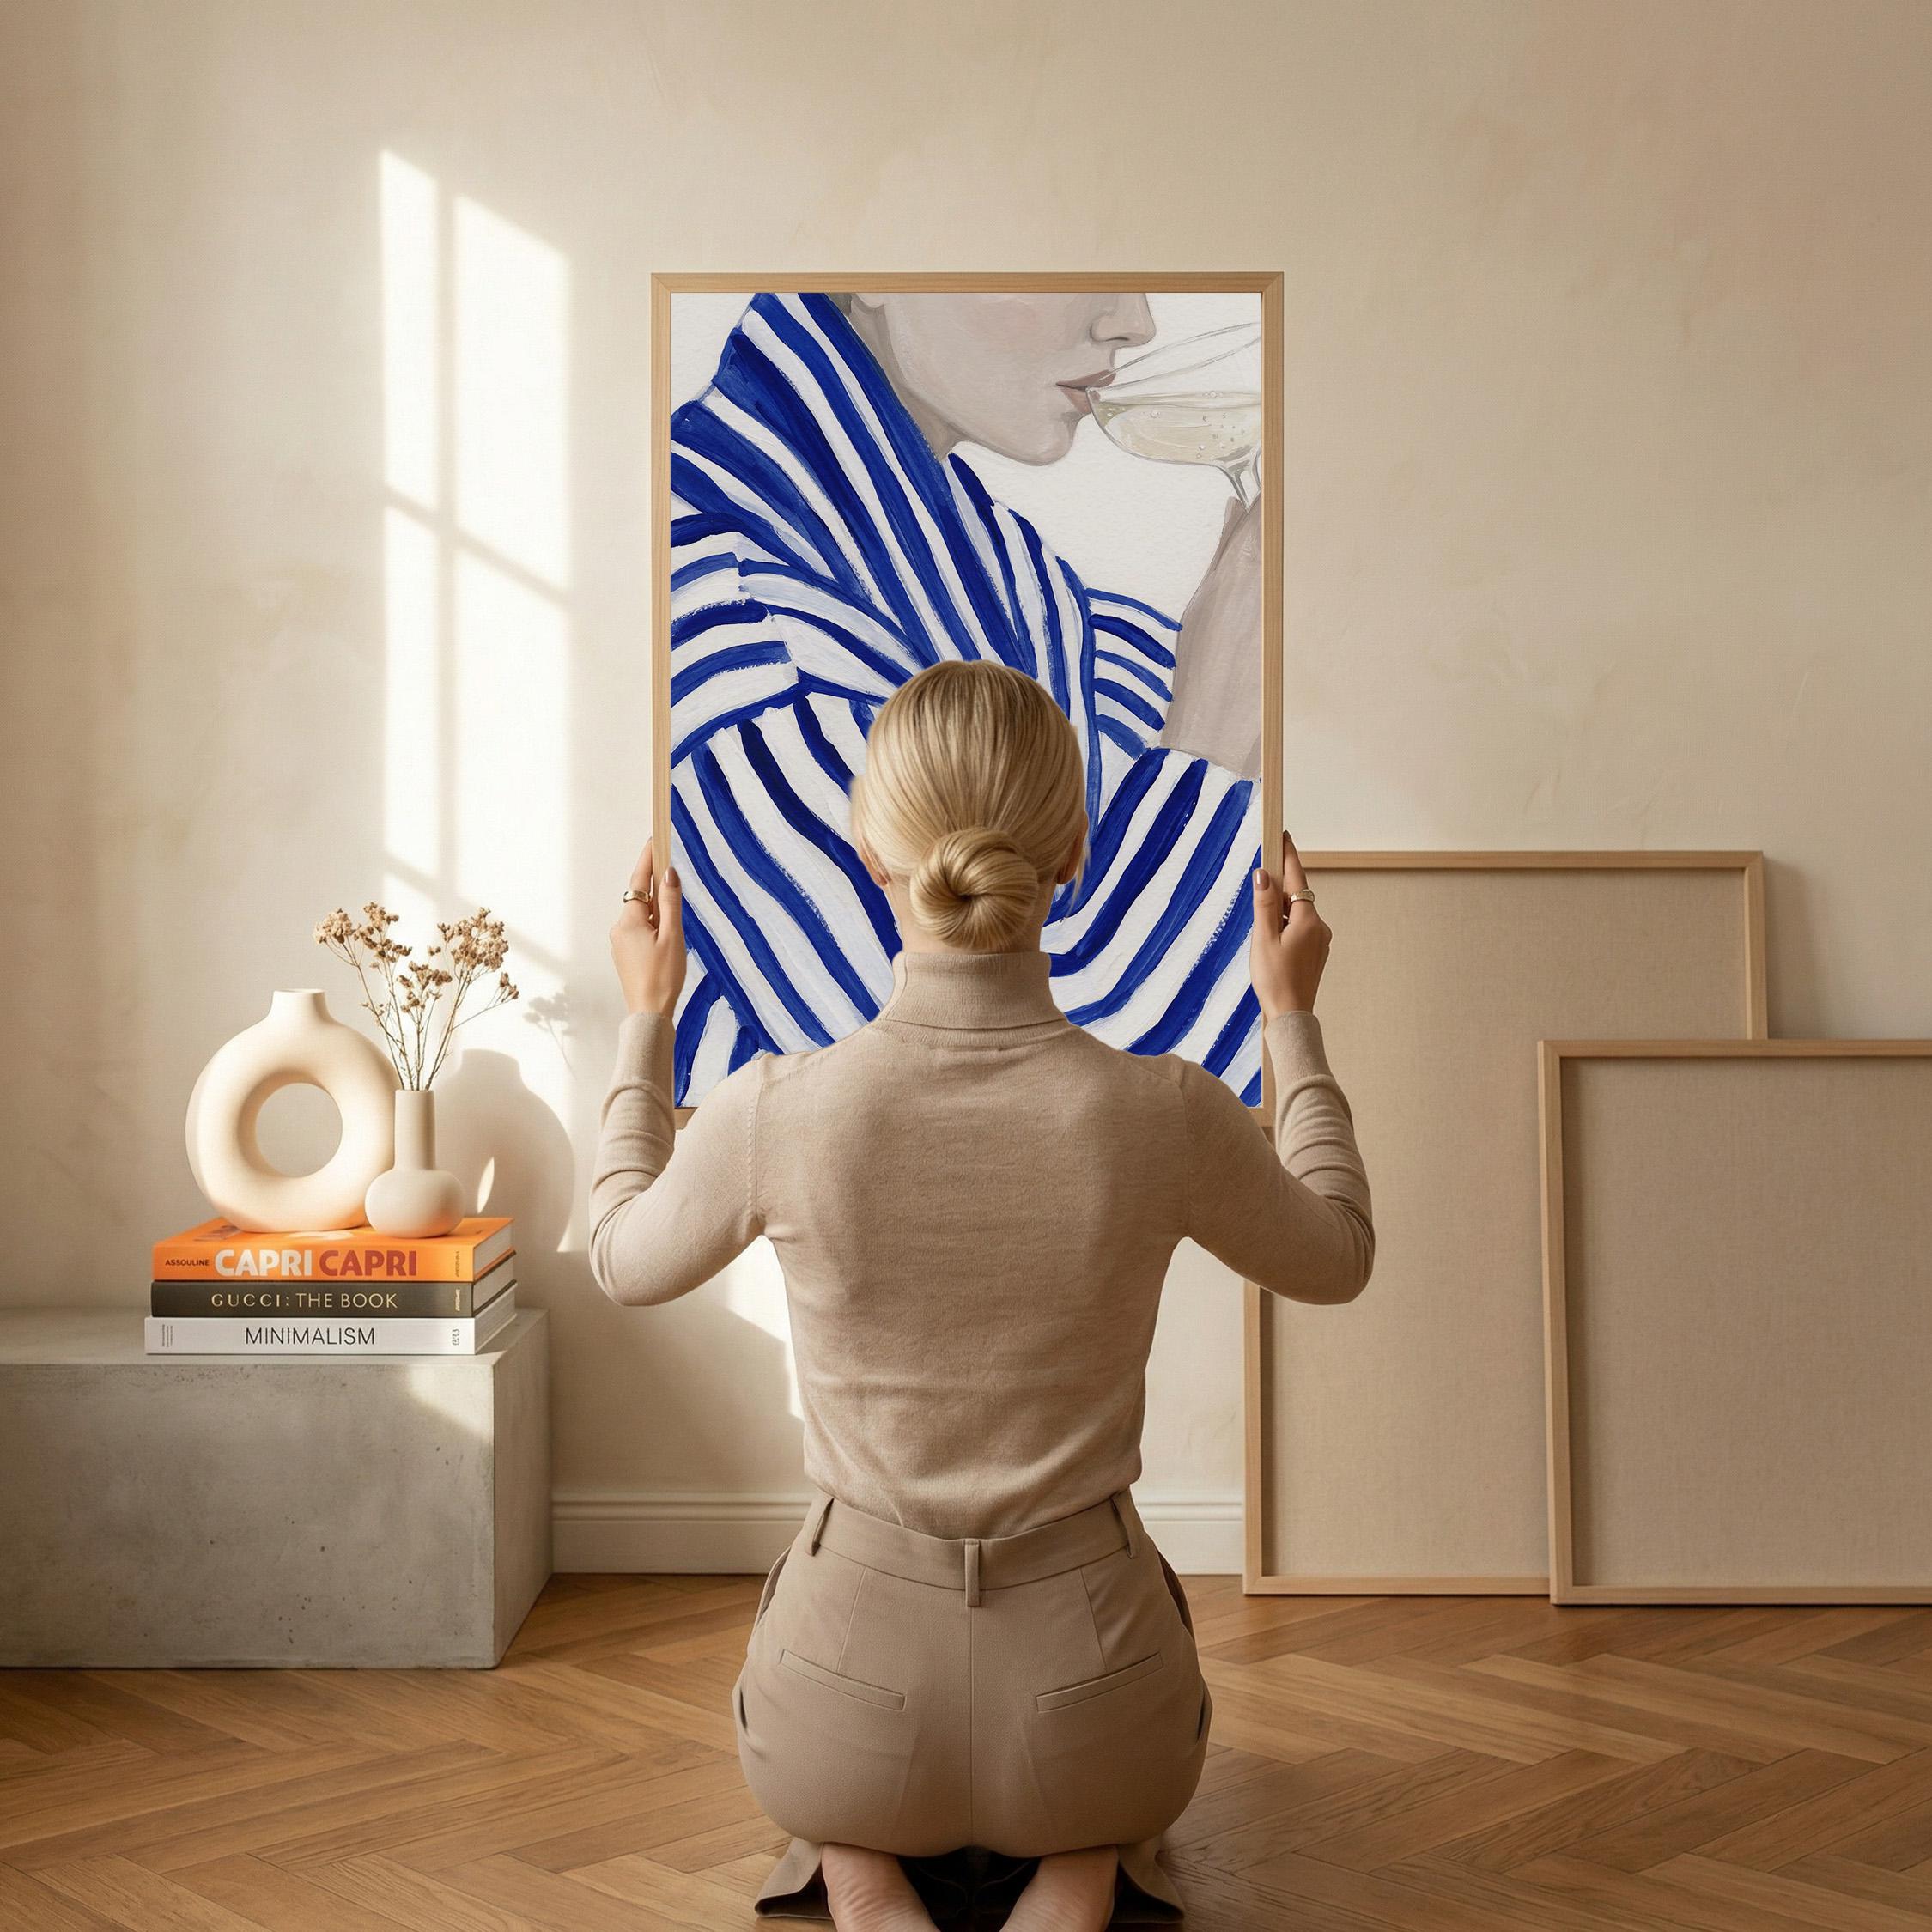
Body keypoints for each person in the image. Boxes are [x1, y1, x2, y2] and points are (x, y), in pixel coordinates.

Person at [592, 660, 1374, 1930]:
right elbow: (1338, 1254)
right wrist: (1291, 1018)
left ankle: (861, 1866)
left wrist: (646, 1020)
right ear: (1072, 852)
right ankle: (1078, 1867)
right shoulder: (1162, 1110)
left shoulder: (778, 1110)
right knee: (1100, 1776)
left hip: (839, 1721)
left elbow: (620, 1259)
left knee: (843, 1747)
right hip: (1098, 1716)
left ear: (868, 851)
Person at [666, 290, 1267, 1111]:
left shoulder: (992, 562)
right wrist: (1212, 741)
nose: (1135, 321)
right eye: (1065, 262)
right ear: (878, 270)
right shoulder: (734, 626)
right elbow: (955, 1094)